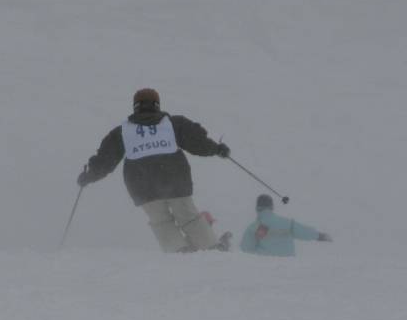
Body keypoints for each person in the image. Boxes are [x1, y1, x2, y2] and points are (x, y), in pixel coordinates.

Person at [77, 88, 230, 253]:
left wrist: (89, 175)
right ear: (157, 105)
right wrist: (217, 149)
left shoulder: (123, 132)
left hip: (142, 187)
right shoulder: (172, 124)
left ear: (135, 106)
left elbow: (105, 159)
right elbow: (197, 142)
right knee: (188, 216)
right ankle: (211, 248)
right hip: (175, 180)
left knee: (161, 221)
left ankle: (178, 251)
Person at [240, 194, 332, 257]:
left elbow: (246, 250)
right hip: (288, 265)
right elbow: (303, 232)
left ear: (257, 208)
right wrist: (319, 236)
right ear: (272, 207)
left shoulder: (255, 227)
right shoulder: (287, 223)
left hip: (265, 265)